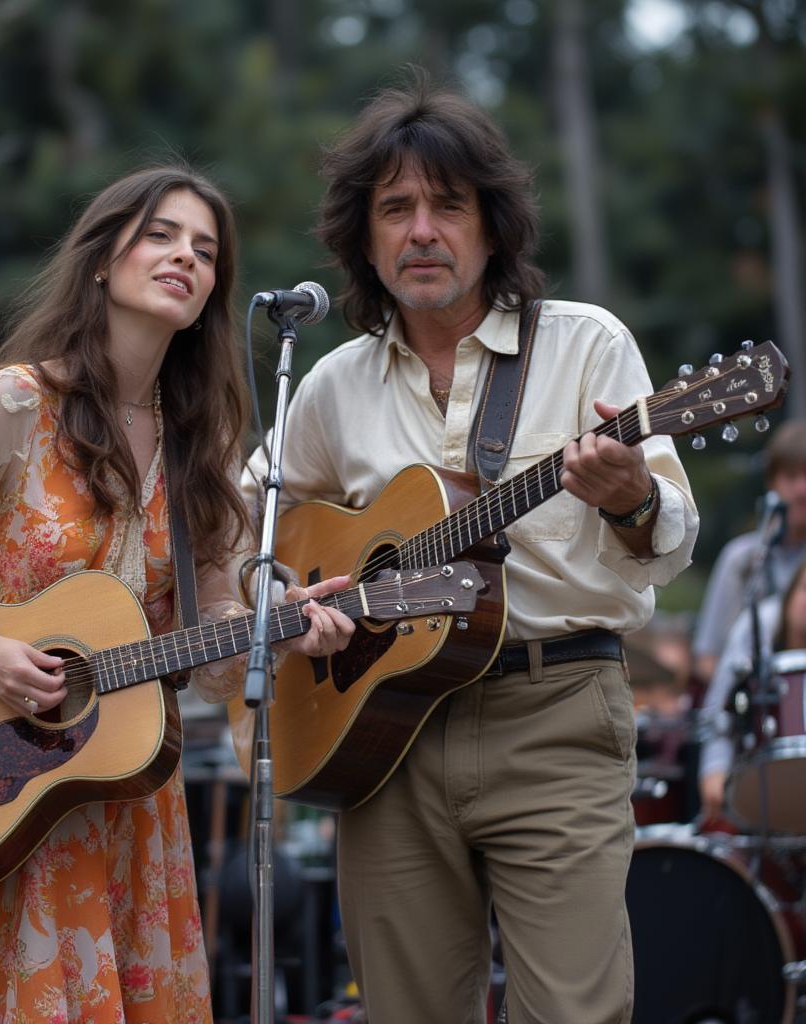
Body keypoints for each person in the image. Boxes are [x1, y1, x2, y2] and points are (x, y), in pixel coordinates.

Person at [0, 166, 354, 1023]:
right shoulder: (16, 403)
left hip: (126, 800)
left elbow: (215, 649)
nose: (185, 257)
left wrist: (281, 633)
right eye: (161, 235)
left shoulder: (206, 444)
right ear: (101, 260)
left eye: (205, 251)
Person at [242, 76, 699, 1024]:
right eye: (395, 208)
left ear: (493, 225)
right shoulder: (330, 385)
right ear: (362, 236)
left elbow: (673, 538)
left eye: (448, 206)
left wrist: (631, 500)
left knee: (575, 1012)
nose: (421, 231)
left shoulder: (586, 347)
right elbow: (243, 528)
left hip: (557, 709)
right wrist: (293, 600)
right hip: (382, 734)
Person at [691, 420, 806, 684]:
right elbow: (707, 660)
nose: (802, 490)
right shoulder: (742, 559)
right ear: (772, 483)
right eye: (791, 477)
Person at [698, 556, 806, 821]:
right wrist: (715, 768)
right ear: (792, 590)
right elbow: (719, 710)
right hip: (757, 795)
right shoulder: (758, 626)